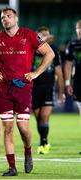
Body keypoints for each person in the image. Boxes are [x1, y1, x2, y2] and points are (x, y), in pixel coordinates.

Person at [0, 7, 55, 176]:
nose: (5, 19)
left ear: (16, 18)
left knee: (23, 127)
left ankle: (28, 150)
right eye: (2, 17)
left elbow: (49, 53)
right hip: (4, 89)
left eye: (8, 16)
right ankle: (12, 167)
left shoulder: (29, 35)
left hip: (23, 88)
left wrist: (36, 73)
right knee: (7, 128)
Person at [32, 26, 65, 154]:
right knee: (38, 118)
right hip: (33, 89)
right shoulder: (32, 50)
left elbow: (59, 73)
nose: (45, 36)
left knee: (44, 117)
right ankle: (43, 139)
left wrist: (61, 92)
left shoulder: (54, 52)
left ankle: (43, 142)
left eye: (47, 34)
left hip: (48, 89)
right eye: (42, 34)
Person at [64, 20, 81, 152]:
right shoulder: (73, 44)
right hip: (79, 82)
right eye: (78, 28)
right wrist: (67, 82)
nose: (79, 30)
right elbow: (68, 64)